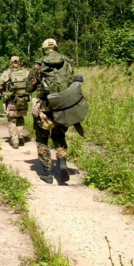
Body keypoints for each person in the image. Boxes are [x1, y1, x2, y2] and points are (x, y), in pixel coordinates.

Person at [26, 38, 87, 184]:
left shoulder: (38, 65)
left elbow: (29, 87)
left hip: (45, 108)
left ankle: (47, 173)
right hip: (63, 107)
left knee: (42, 138)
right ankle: (62, 162)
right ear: (56, 47)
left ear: (44, 49)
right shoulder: (66, 62)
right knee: (59, 136)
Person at [0, 56, 30, 149]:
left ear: (10, 63)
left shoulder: (6, 73)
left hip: (11, 100)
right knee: (20, 118)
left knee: (12, 120)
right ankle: (20, 137)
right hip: (23, 100)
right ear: (19, 63)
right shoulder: (26, 72)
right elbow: (32, 85)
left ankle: (15, 140)